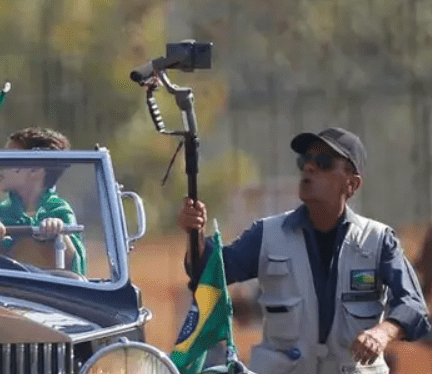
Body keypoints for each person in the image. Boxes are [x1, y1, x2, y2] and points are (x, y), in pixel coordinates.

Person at [178, 127, 431, 374]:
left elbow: (413, 305)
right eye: (304, 161)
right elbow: (210, 273)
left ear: (351, 185)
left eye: (324, 163)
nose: (309, 168)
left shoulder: (378, 241)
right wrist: (195, 234)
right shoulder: (267, 235)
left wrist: (381, 333)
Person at [0, 127, 86, 275]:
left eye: (9, 158)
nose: (0, 165)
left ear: (35, 168)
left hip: (48, 293)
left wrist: (59, 233)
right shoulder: (0, 212)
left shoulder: (59, 210)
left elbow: (77, 267)